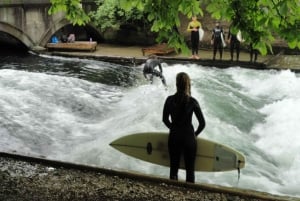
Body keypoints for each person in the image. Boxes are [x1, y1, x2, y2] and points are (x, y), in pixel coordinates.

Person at [162, 72, 205, 183]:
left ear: (176, 84)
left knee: (173, 169)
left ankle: (173, 193)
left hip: (174, 137)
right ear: (188, 85)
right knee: (190, 171)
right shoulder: (192, 101)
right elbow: (202, 124)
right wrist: (194, 135)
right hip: (188, 138)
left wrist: (173, 128)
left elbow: (165, 120)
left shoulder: (169, 100)